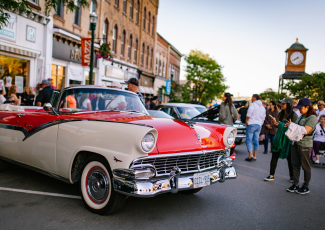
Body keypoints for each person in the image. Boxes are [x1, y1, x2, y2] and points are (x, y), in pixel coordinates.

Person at [286, 98, 318, 194]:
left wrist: (292, 125)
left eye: (301, 108)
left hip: (305, 145)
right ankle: (295, 184)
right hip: (295, 143)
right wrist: (289, 125)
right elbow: (296, 127)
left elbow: (306, 130)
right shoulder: (301, 116)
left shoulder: (312, 118)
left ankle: (305, 186)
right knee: (295, 165)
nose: (299, 110)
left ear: (307, 107)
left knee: (305, 167)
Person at [264, 97, 298, 182]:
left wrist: (280, 124)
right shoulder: (280, 113)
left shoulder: (294, 115)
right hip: (279, 137)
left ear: (289, 105)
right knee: (274, 156)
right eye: (281, 103)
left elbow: (294, 128)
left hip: (288, 139)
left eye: (283, 103)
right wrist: (275, 123)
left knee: (289, 158)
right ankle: (271, 175)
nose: (281, 105)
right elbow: (278, 125)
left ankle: (292, 176)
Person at [245, 94, 266, 161]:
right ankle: (254, 155)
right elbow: (263, 117)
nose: (251, 99)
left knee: (249, 140)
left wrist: (246, 120)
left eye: (252, 97)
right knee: (256, 140)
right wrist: (261, 123)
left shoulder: (253, 105)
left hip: (251, 124)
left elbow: (249, 112)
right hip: (258, 125)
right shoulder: (262, 107)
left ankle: (250, 155)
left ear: (254, 98)